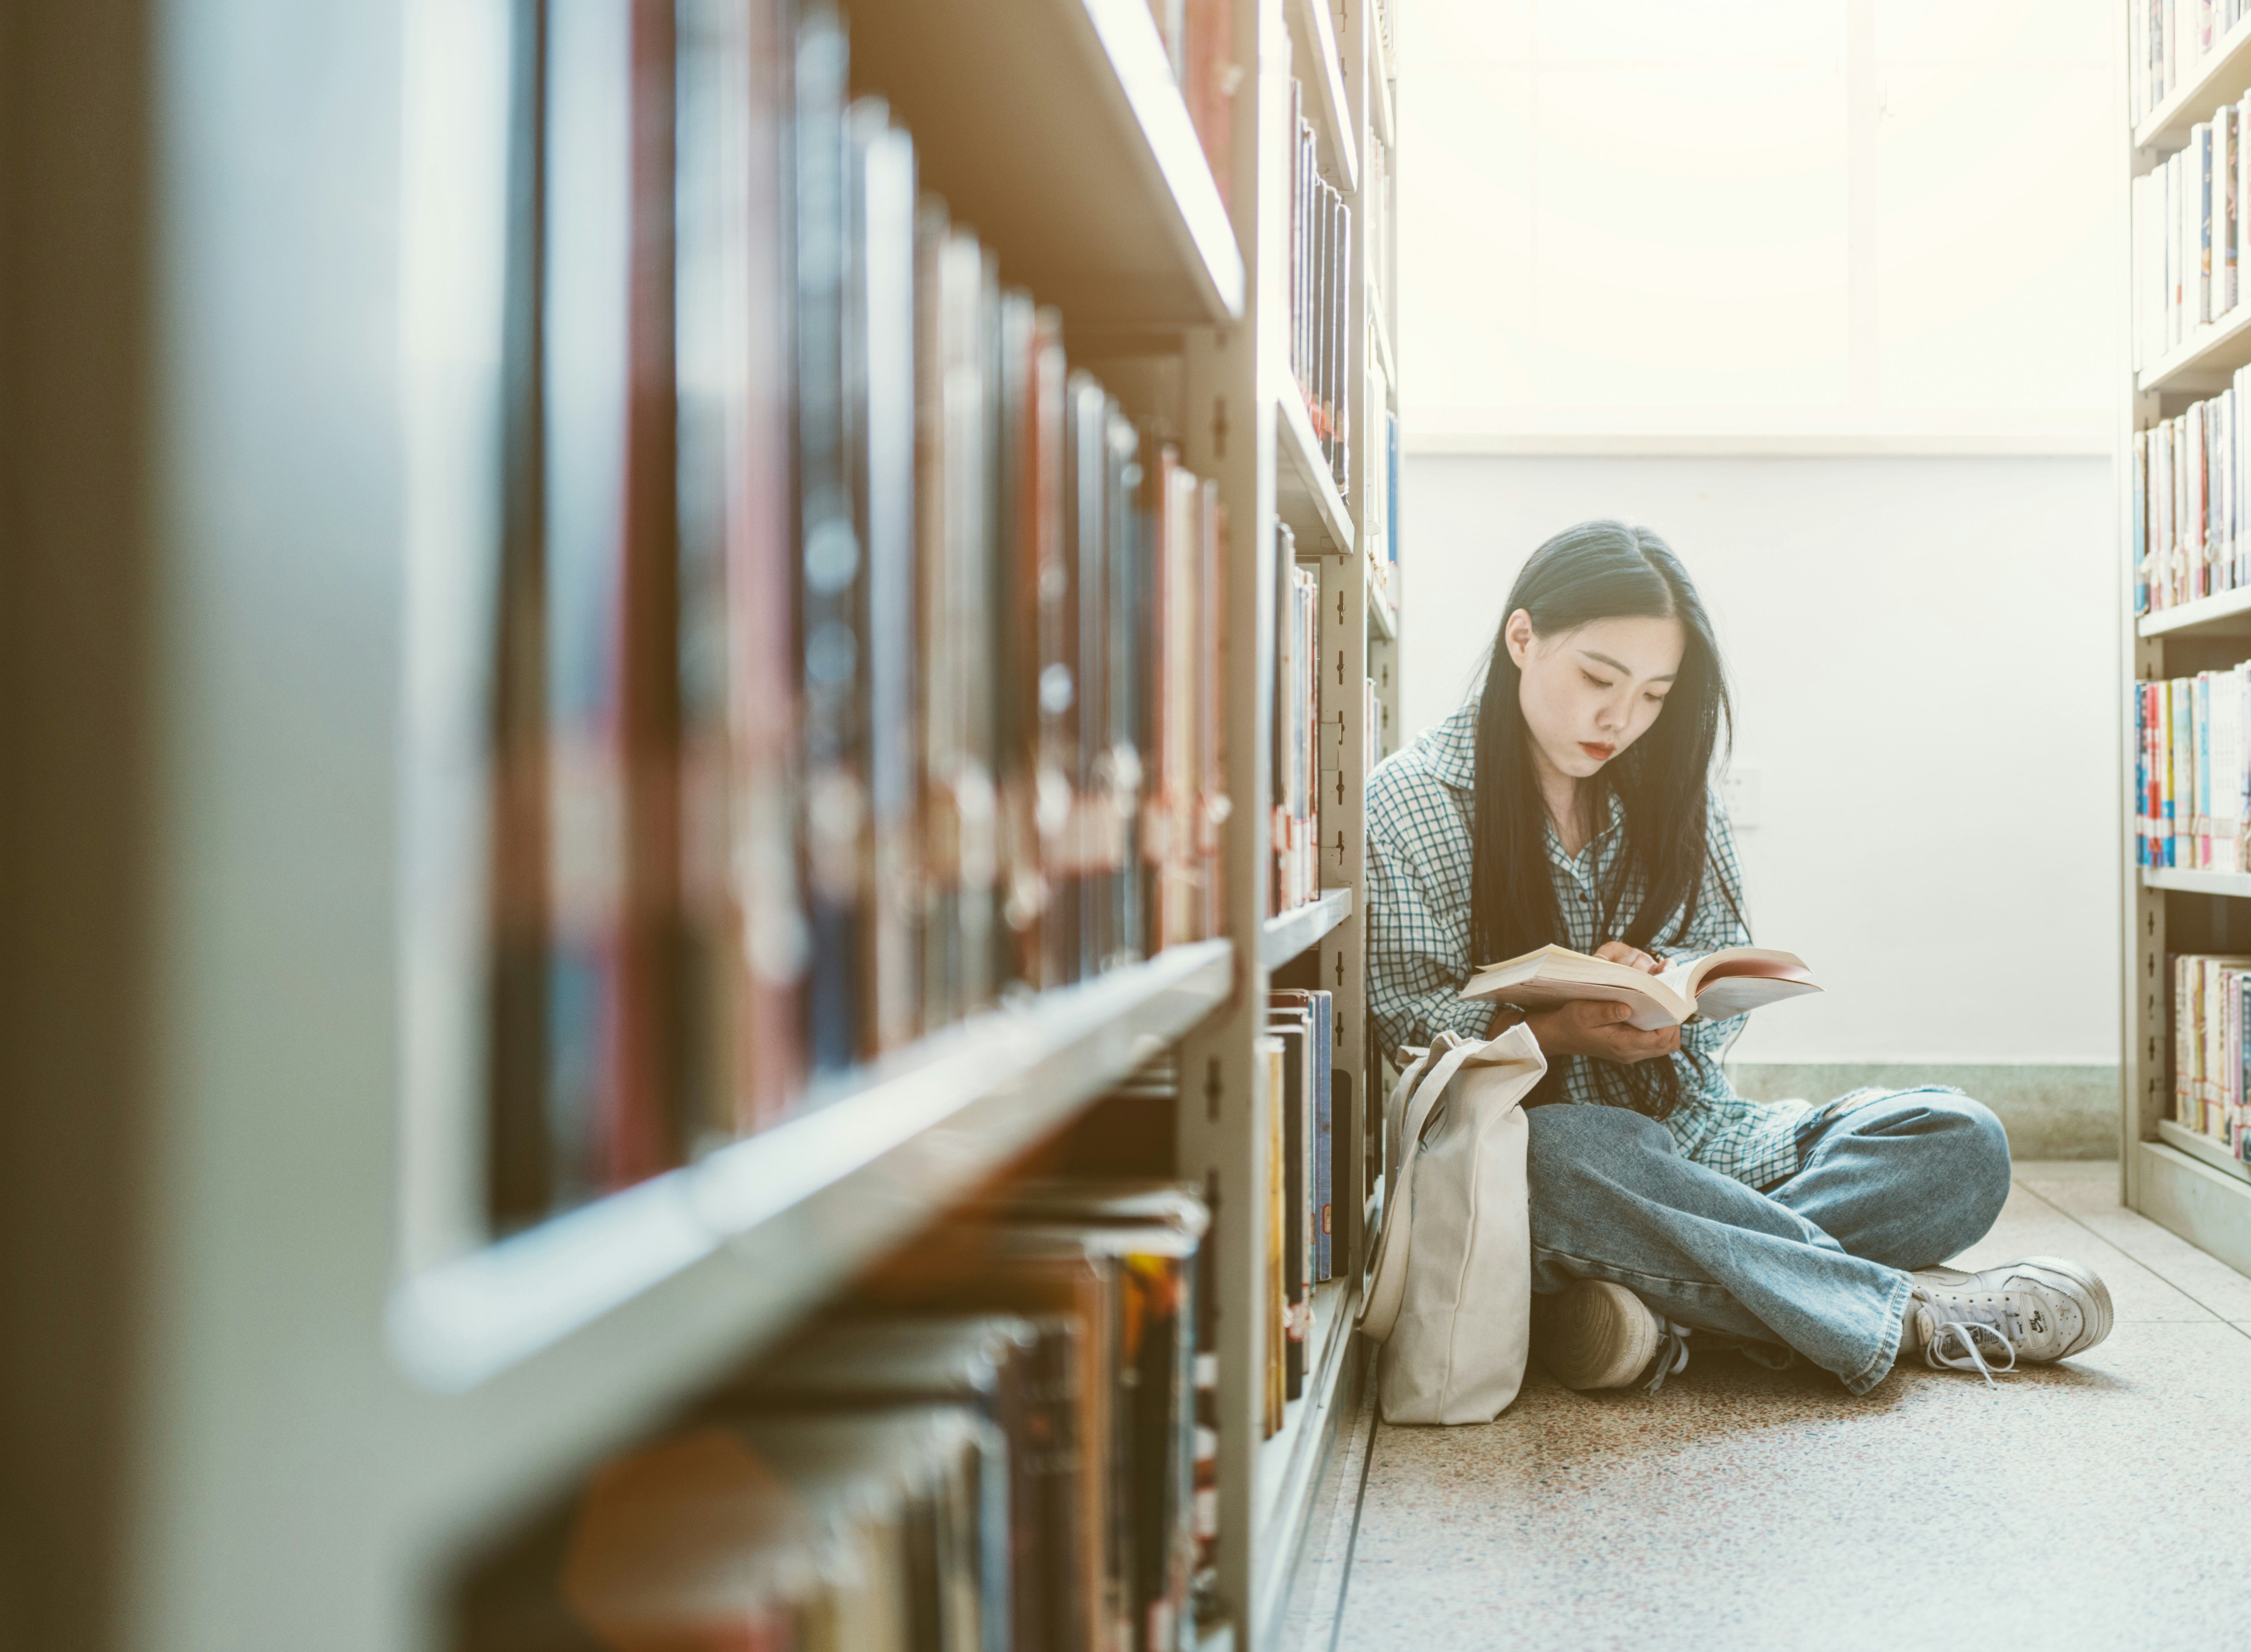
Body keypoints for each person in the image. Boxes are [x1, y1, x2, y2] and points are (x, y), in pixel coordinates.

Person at [1365, 519, 2111, 1396]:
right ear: (1522, 639)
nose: (1622, 718)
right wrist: (1559, 1030)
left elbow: (1716, 968)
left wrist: (1667, 990)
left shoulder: (1668, 791)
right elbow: (1408, 1030)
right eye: (1600, 679)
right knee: (1562, 1156)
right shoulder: (1409, 801)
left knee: (1959, 1141)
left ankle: (1668, 1311)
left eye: (1654, 694)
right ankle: (1902, 1313)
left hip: (1697, 1136)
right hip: (1542, 1156)